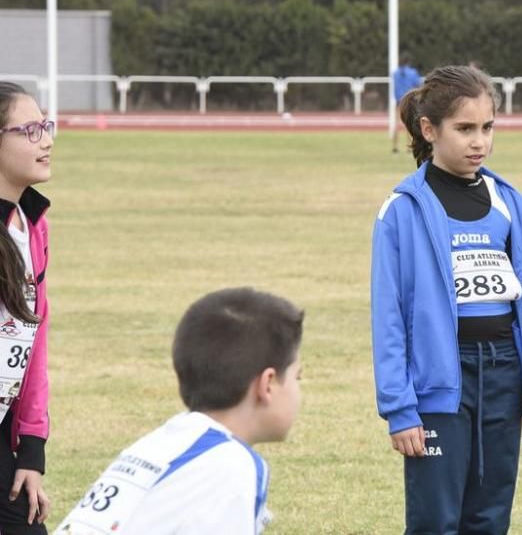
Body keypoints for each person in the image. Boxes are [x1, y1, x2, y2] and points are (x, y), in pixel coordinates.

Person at [371, 65, 522, 534]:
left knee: (490, 517)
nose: (479, 141)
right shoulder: (402, 211)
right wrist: (399, 408)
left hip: (504, 375)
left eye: (487, 127)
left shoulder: (511, 204)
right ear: (429, 130)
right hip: (440, 381)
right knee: (436, 519)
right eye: (465, 129)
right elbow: (389, 317)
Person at [55, 287, 304, 534]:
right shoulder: (231, 465)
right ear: (267, 384)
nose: (298, 388)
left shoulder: (162, 443)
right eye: (297, 377)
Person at [0, 82, 55, 533]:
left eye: (47, 126)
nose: (48, 140)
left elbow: (35, 340)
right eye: (30, 129)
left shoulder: (33, 225)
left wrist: (31, 450)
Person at [391, 52, 423, 154]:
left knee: (396, 125)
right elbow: (417, 85)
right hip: (409, 102)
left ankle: (395, 147)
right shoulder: (413, 72)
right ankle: (409, 147)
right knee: (409, 124)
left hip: (398, 101)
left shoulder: (395, 73)